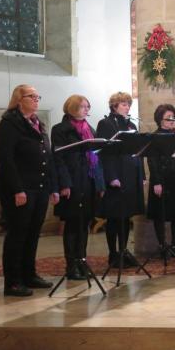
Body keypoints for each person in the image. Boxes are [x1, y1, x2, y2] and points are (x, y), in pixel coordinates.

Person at [0, 84, 59, 296]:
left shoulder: (37, 124)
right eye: (31, 96)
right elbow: (6, 160)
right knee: (17, 234)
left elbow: (46, 157)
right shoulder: (9, 124)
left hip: (39, 187)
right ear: (19, 99)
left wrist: (52, 187)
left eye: (37, 96)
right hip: (19, 188)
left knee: (32, 233)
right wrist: (17, 189)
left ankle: (29, 275)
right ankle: (13, 282)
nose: (36, 99)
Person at [52, 95, 105, 280]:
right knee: (73, 224)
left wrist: (99, 183)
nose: (86, 109)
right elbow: (58, 159)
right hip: (73, 182)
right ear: (72, 108)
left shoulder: (90, 129)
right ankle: (71, 265)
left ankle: (82, 261)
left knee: (84, 224)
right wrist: (64, 184)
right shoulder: (60, 130)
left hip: (88, 181)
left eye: (87, 106)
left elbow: (97, 158)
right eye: (83, 106)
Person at [95, 92, 145, 267]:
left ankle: (124, 251)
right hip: (116, 176)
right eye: (123, 104)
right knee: (114, 217)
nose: (127, 106)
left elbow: (139, 152)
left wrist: (142, 176)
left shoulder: (131, 124)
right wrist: (112, 177)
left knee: (126, 217)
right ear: (114, 106)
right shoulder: (106, 123)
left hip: (131, 175)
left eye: (128, 104)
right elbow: (105, 153)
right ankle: (113, 254)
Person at [146, 104, 175, 260]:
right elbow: (152, 161)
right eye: (168, 117)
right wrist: (157, 182)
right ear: (160, 119)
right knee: (160, 214)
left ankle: (174, 245)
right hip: (160, 180)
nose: (172, 120)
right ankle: (162, 246)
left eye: (173, 117)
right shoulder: (154, 136)